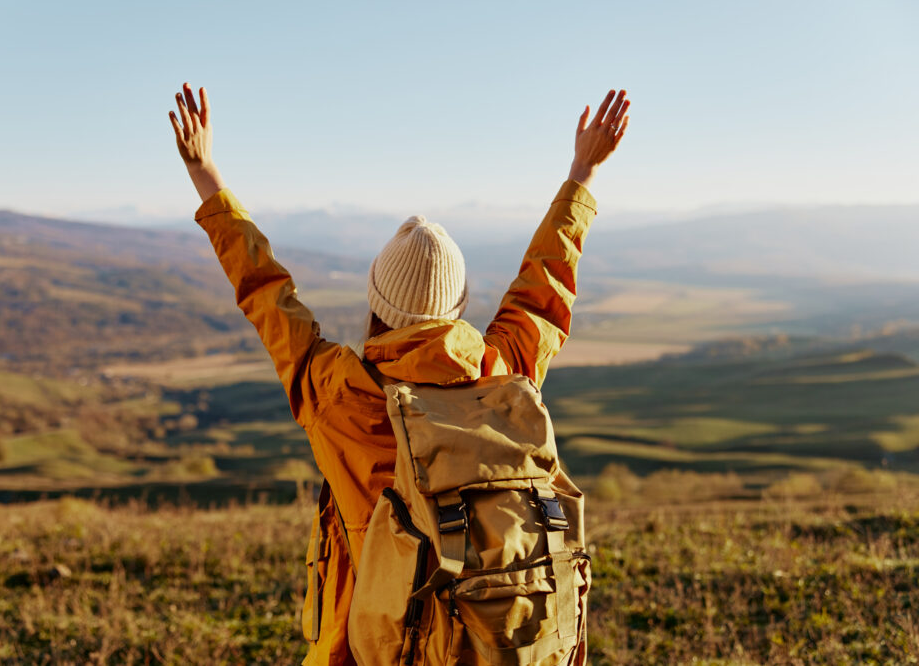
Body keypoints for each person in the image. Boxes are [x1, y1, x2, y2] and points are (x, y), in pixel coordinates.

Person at [170, 84, 629, 665]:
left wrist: (205, 175)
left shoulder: (337, 390)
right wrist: (582, 174)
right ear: (458, 305)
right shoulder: (504, 373)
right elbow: (545, 289)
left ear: (376, 302)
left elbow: (266, 292)